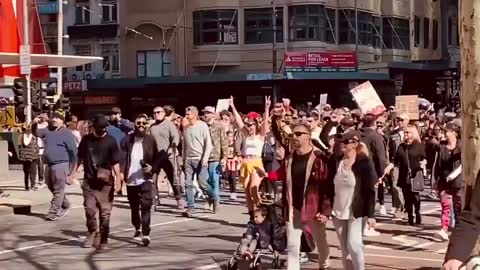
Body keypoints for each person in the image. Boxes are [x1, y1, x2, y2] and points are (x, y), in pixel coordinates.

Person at [279, 123, 333, 270]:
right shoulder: (289, 158)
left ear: (308, 137)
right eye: (293, 134)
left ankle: (325, 265)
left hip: (313, 208)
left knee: (320, 241)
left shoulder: (319, 158)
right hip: (293, 208)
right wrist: (267, 175)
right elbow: (282, 177)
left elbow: (327, 187)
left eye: (298, 134)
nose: (294, 137)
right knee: (292, 246)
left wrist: (325, 211)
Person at [332, 130, 377, 270]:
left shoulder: (363, 162)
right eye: (341, 141)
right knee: (345, 250)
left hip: (356, 211)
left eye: (345, 141)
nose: (342, 144)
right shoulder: (336, 161)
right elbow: (328, 185)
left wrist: (371, 215)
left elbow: (369, 190)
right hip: (338, 210)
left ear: (355, 143)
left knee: (354, 245)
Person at [77, 114, 121, 250]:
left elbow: (115, 162)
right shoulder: (86, 140)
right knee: (89, 210)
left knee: (105, 213)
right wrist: (74, 171)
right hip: (89, 181)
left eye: (103, 129)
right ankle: (92, 231)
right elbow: (80, 157)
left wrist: (118, 179)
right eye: (98, 128)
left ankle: (104, 238)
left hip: (106, 183)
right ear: (93, 127)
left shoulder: (111, 141)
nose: (101, 131)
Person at [121, 114, 160, 246]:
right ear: (135, 124)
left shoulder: (150, 140)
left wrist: (152, 167)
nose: (141, 125)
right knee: (134, 206)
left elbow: (157, 158)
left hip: (146, 178)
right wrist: (121, 174)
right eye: (139, 123)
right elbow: (120, 156)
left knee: (146, 205)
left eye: (144, 123)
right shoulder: (127, 140)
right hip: (131, 178)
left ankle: (146, 233)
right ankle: (137, 227)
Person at [230, 96, 270, 219]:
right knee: (247, 193)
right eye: (248, 124)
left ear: (256, 125)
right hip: (246, 163)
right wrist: (233, 106)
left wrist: (266, 108)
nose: (249, 126)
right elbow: (239, 121)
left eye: (251, 125)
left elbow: (265, 123)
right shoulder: (246, 134)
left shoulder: (261, 136)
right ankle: (253, 216)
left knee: (253, 188)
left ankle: (261, 210)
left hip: (256, 163)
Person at [33, 112, 78, 221]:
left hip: (61, 164)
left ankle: (53, 212)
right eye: (53, 118)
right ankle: (65, 204)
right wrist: (34, 124)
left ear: (62, 121)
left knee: (58, 189)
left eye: (57, 118)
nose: (54, 120)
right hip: (49, 164)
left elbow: (74, 153)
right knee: (51, 186)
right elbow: (36, 133)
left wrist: (73, 172)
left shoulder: (68, 134)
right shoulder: (48, 130)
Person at [386, 125, 427, 226]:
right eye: (405, 133)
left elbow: (425, 158)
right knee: (407, 197)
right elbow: (395, 160)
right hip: (404, 175)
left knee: (415, 196)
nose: (406, 134)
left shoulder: (419, 146)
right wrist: (388, 168)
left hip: (415, 174)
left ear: (413, 134)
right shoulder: (401, 146)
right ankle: (410, 216)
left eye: (408, 132)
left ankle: (417, 211)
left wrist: (424, 163)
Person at [182, 106, 215, 217]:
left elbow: (208, 144)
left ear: (195, 115)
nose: (186, 116)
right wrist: (183, 159)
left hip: (200, 159)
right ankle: (191, 207)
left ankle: (213, 198)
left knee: (203, 184)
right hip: (188, 159)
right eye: (186, 114)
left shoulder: (202, 126)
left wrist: (205, 158)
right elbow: (184, 146)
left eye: (188, 114)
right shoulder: (186, 127)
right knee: (188, 184)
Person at [149, 106, 182, 208]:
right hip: (155, 157)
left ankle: (179, 199)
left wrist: (173, 147)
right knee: (152, 178)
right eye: (154, 113)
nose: (156, 114)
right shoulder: (152, 126)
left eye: (159, 112)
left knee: (173, 178)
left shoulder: (169, 124)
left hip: (168, 156)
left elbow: (176, 137)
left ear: (164, 113)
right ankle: (155, 199)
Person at [434, 123, 462, 242]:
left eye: (448, 131)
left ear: (454, 132)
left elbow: (464, 164)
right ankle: (444, 229)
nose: (445, 133)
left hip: (458, 182)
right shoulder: (442, 147)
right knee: (445, 206)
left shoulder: (462, 147)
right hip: (444, 182)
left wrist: (455, 174)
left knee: (458, 208)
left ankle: (459, 231)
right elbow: (436, 165)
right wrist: (435, 181)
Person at [360, 114, 388, 216]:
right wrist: (382, 174)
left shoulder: (357, 134)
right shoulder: (376, 137)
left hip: (356, 170)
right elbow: (381, 157)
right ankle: (368, 221)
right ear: (374, 123)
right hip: (371, 171)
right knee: (370, 197)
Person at [202, 106, 229, 210]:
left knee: (214, 179)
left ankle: (215, 201)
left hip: (215, 156)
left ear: (213, 114)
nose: (206, 115)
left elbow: (224, 142)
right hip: (204, 156)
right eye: (205, 113)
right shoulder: (202, 126)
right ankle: (210, 199)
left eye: (208, 113)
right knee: (204, 181)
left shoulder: (219, 126)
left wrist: (224, 157)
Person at [19, 125, 39, 191]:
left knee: (26, 172)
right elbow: (36, 146)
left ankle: (26, 186)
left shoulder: (22, 136)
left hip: (25, 156)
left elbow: (20, 146)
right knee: (33, 171)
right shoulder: (34, 136)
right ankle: (32, 185)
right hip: (33, 156)